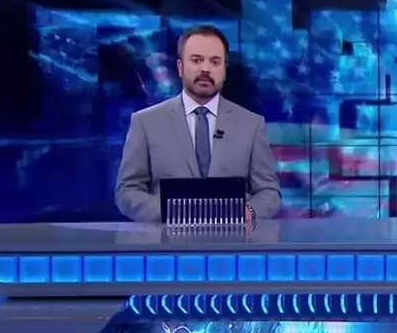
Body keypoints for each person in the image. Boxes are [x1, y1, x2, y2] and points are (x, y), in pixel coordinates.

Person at [115, 25, 281, 223]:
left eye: (215, 62)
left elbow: (269, 192)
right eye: (196, 60)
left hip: (234, 238)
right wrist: (170, 213)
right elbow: (127, 190)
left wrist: (249, 212)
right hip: (166, 239)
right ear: (180, 67)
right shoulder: (145, 122)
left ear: (224, 70)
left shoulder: (252, 125)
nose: (205, 69)